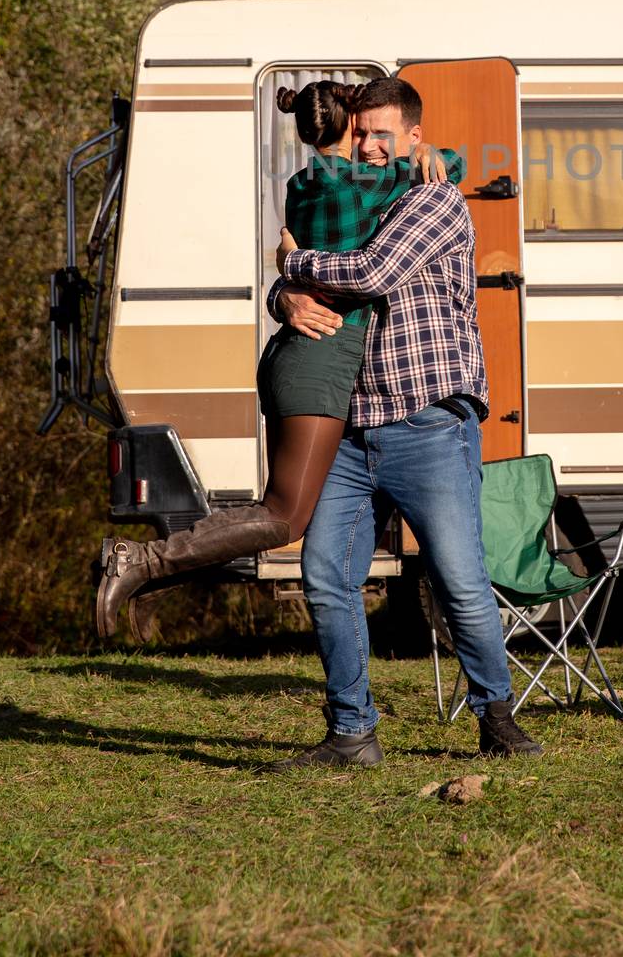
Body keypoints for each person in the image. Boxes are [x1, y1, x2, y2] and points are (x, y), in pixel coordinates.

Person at [94, 78, 461, 640]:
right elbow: (451, 171)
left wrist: (285, 284)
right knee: (285, 515)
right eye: (363, 132)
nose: (370, 144)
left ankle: (149, 569)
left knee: (287, 510)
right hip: (322, 358)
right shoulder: (361, 184)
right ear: (349, 130)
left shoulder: (300, 183)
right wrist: (427, 151)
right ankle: (141, 563)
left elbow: (304, 266)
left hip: (295, 358)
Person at [262, 75, 543, 770]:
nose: (368, 145)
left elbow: (371, 273)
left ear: (414, 138)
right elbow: (320, 280)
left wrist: (290, 262)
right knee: (327, 577)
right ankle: (352, 733)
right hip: (349, 430)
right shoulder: (350, 197)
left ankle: (496, 717)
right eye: (360, 134)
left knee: (458, 580)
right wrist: (285, 297)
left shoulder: (435, 199)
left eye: (383, 134)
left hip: (427, 423)